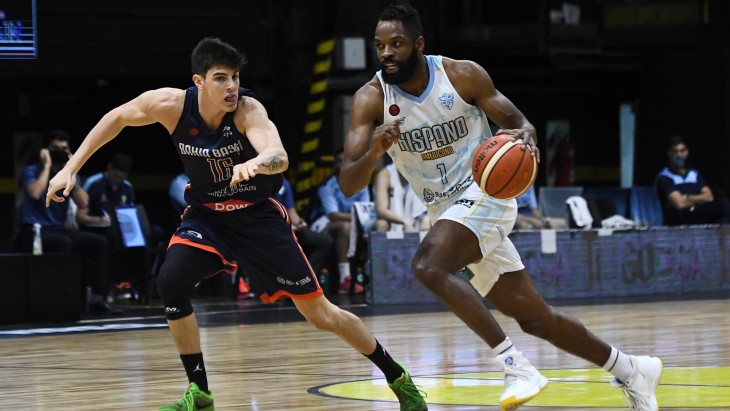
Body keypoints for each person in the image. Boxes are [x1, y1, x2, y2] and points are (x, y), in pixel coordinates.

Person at [46, 37, 427, 411]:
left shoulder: (247, 110)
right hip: (208, 217)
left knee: (321, 315)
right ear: (199, 81)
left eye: (235, 77)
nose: (231, 86)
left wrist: (259, 162)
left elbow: (278, 155)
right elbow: (115, 118)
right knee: (170, 283)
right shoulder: (170, 106)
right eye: (221, 78)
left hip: (257, 220)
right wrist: (70, 169)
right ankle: (200, 393)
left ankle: (397, 377)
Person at [339, 3, 661, 410]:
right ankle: (632, 369)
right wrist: (374, 152)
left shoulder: (461, 75)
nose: (386, 53)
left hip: (487, 190)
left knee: (428, 265)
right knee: (535, 318)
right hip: (446, 212)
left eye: (396, 44)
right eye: (380, 45)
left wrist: (525, 141)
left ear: (418, 44)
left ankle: (515, 367)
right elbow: (349, 183)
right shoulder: (370, 99)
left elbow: (521, 125)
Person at [19, 129, 118, 314]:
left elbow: (83, 203)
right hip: (35, 231)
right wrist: (47, 166)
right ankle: (59, 300)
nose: (59, 152)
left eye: (63, 149)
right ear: (46, 150)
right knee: (62, 243)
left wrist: (71, 170)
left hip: (59, 229)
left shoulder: (69, 175)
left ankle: (96, 298)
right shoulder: (32, 170)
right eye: (55, 148)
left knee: (99, 242)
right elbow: (36, 193)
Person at [311, 149, 369, 294]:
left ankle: (373, 276)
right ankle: (345, 279)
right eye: (339, 161)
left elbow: (367, 211)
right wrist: (358, 216)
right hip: (323, 225)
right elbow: (333, 216)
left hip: (355, 223)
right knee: (345, 226)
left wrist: (360, 216)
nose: (342, 165)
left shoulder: (363, 184)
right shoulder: (327, 185)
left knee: (374, 225)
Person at [655, 135, 730, 226]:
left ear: (687, 152)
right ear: (669, 154)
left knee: (724, 208)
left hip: (698, 211)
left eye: (682, 151)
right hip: (679, 218)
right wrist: (699, 198)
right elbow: (679, 204)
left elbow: (709, 197)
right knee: (722, 207)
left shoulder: (694, 173)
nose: (679, 155)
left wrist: (687, 198)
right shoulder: (664, 177)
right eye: (675, 151)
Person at [275, 176, 335, 276]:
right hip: (272, 229)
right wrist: (285, 225)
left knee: (325, 242)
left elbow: (291, 211)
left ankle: (307, 277)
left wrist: (299, 222)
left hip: (290, 228)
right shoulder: (258, 184)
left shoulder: (284, 183)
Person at [373, 160, 429, 233]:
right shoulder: (385, 174)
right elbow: (381, 211)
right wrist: (404, 221)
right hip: (380, 220)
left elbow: (427, 208)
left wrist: (426, 218)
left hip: (409, 220)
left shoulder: (419, 174)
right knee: (382, 224)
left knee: (427, 222)